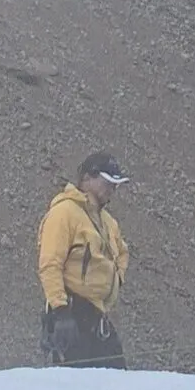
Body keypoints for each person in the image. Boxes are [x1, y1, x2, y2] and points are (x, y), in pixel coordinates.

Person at [38, 155, 131, 367]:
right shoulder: (64, 213)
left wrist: (117, 279)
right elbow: (50, 264)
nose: (112, 188)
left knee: (116, 385)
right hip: (71, 313)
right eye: (108, 181)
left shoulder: (108, 222)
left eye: (115, 184)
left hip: (98, 316)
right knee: (75, 389)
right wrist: (61, 312)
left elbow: (123, 252)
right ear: (87, 178)